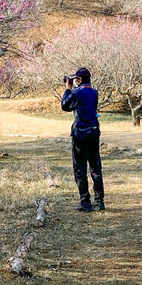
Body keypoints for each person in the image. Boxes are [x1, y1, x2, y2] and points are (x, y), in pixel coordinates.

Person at [61, 66, 103, 212]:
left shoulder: (76, 93)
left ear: (78, 79)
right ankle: (99, 201)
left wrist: (68, 89)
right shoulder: (94, 93)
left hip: (80, 133)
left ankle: (85, 202)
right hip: (94, 131)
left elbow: (65, 106)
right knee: (95, 167)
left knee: (80, 168)